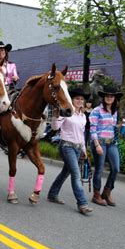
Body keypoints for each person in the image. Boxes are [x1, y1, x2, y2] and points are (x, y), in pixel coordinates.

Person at [47, 87, 94, 215]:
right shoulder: (66, 112)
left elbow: (82, 134)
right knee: (75, 174)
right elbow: (55, 127)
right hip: (66, 146)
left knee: (65, 172)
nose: (79, 101)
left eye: (81, 99)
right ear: (72, 100)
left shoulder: (83, 116)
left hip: (78, 147)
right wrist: (57, 116)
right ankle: (82, 203)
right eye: (77, 98)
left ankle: (52, 194)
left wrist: (84, 151)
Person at [89, 85, 123, 207]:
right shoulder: (96, 111)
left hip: (111, 143)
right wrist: (97, 144)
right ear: (103, 97)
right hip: (99, 142)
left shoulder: (114, 112)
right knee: (99, 169)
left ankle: (107, 192)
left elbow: (110, 127)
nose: (109, 98)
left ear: (115, 98)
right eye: (107, 96)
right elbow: (93, 130)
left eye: (112, 96)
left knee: (116, 168)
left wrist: (120, 128)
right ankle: (96, 195)